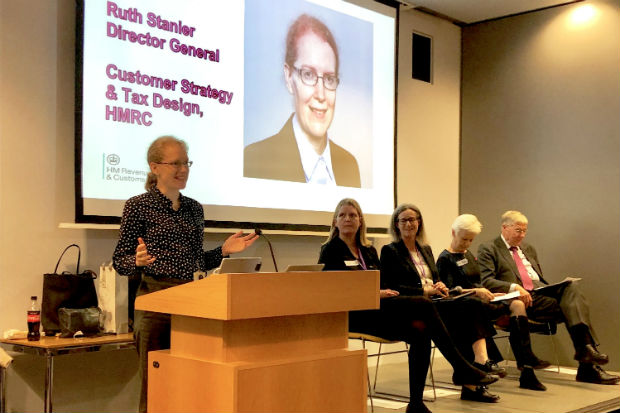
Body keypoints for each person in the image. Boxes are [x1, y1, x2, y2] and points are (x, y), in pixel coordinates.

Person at [113, 136, 259, 412]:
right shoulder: (137, 206)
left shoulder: (194, 209)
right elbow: (120, 261)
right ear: (154, 167)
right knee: (156, 387)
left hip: (193, 303)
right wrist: (137, 260)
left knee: (191, 383)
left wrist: (224, 251)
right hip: (156, 302)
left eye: (186, 163)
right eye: (175, 163)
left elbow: (196, 262)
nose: (183, 169)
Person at [318, 198, 497, 413]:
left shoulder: (368, 251)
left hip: (379, 308)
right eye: (343, 215)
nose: (348, 219)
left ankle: (415, 403)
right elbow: (332, 291)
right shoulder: (330, 250)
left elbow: (383, 284)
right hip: (355, 314)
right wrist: (374, 292)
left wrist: (379, 292)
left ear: (360, 221)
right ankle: (460, 367)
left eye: (353, 215)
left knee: (420, 330)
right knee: (422, 303)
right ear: (335, 221)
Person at [477, 210, 620, 385]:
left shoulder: (528, 248)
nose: (522, 235)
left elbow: (537, 277)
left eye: (525, 231)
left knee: (572, 290)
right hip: (519, 299)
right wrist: (514, 286)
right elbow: (487, 281)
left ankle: (586, 355)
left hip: (540, 293)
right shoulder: (489, 248)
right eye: (518, 230)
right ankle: (587, 364)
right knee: (576, 307)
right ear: (504, 227)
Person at [380, 204, 505, 403]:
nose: (409, 224)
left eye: (413, 219)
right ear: (396, 224)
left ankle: (477, 366)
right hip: (415, 304)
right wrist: (423, 290)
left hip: (435, 301)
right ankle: (470, 372)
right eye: (404, 220)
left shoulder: (426, 249)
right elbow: (391, 287)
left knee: (471, 305)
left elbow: (437, 278)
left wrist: (439, 285)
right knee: (462, 315)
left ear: (419, 222)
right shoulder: (390, 250)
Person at [244, 14, 361, 187]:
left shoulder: (349, 164)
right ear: (289, 76)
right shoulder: (256, 158)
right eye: (308, 74)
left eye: (329, 79)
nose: (320, 95)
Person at [437, 214, 551, 391]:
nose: (467, 244)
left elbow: (480, 282)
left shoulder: (468, 255)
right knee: (475, 306)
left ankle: (526, 364)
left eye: (470, 240)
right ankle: (486, 362)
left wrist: (490, 292)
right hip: (465, 304)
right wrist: (476, 291)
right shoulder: (445, 259)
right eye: (464, 239)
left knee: (517, 304)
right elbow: (450, 291)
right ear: (454, 233)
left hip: (481, 300)